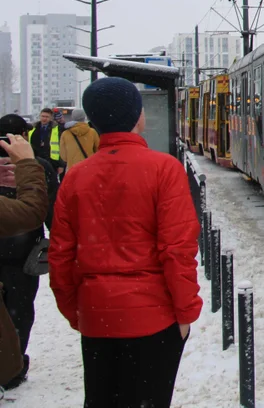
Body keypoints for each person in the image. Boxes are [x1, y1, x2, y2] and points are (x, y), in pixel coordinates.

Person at [49, 77, 202, 407]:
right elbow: (177, 249)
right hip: (154, 316)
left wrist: (77, 311)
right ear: (137, 116)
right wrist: (186, 311)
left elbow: (60, 254)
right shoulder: (164, 169)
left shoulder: (76, 176)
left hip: (95, 314)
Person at [0, 115, 58, 390]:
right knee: (21, 309)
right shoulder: (38, 166)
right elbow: (46, 208)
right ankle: (14, 365)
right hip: (25, 251)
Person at [58, 108, 98, 175]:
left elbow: (63, 155)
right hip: (89, 167)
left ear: (72, 117)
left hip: (72, 169)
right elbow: (98, 150)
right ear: (84, 117)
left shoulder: (65, 133)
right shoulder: (92, 132)